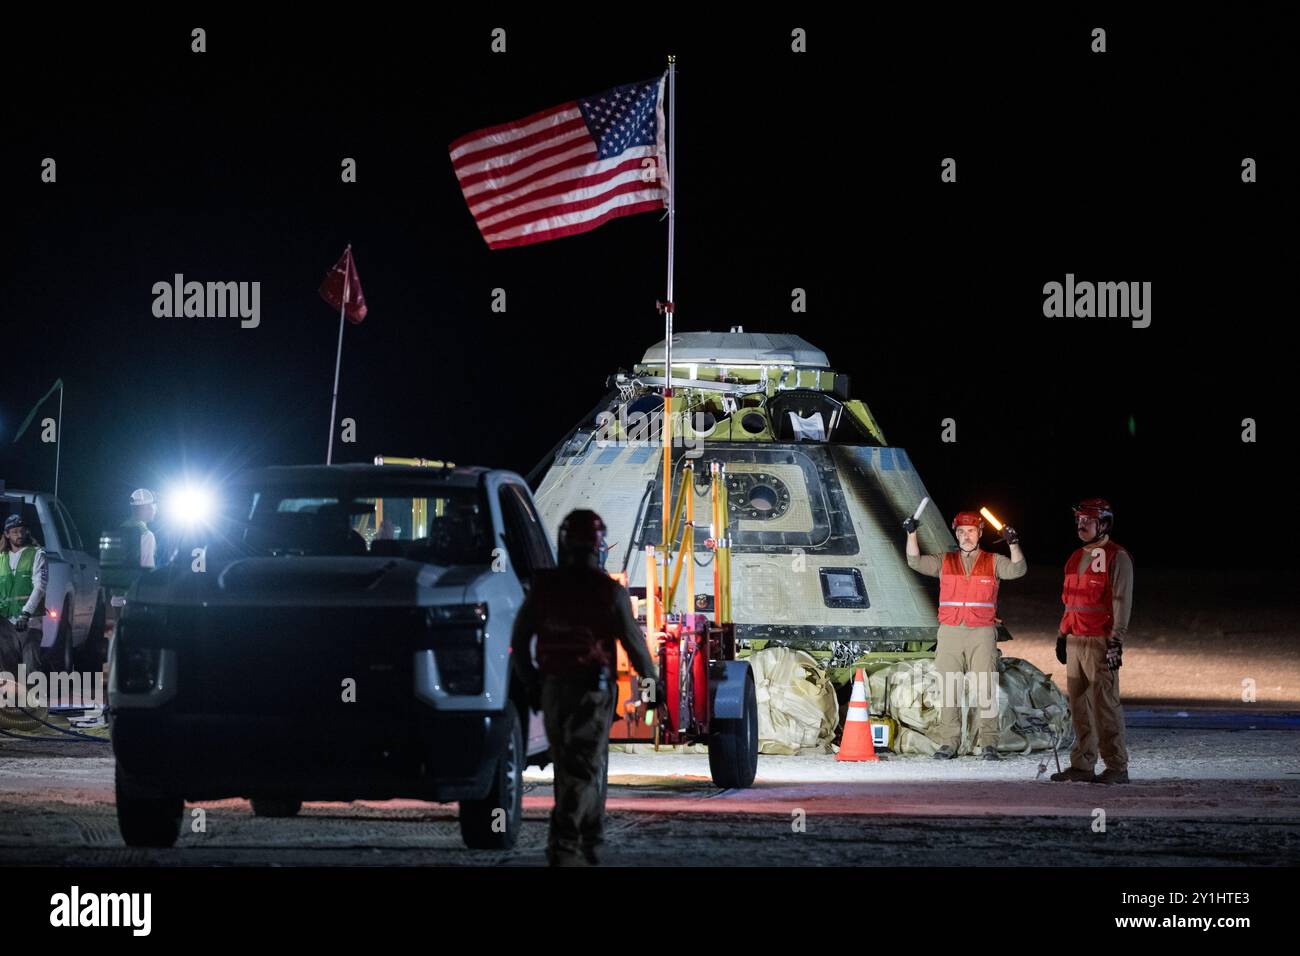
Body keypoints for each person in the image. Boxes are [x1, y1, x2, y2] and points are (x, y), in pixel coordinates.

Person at [510, 509, 659, 866]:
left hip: (551, 691)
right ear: (598, 545)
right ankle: (564, 847)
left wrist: (532, 683)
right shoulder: (608, 592)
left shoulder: (544, 588)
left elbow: (519, 640)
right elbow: (636, 647)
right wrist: (653, 689)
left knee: (570, 766)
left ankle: (592, 841)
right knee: (585, 768)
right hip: (592, 695)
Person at [905, 509, 1026, 759]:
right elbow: (915, 561)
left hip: (981, 632)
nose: (966, 536)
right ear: (956, 534)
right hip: (950, 632)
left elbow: (1018, 570)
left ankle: (989, 743)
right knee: (949, 687)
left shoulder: (993, 561)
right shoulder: (944, 560)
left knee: (985, 688)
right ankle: (949, 742)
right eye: (961, 531)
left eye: (971, 531)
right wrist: (911, 533)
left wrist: (1013, 543)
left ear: (979, 533)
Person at [1051, 498, 1133, 784]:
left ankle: (1116, 766)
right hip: (1075, 640)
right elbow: (1070, 602)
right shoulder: (1075, 557)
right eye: (1079, 520)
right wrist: (1063, 634)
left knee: (1105, 705)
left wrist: (1116, 641)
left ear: (1104, 523)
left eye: (1087, 520)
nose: (1081, 525)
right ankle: (1083, 764)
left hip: (1099, 640)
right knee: (1079, 705)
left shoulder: (1116, 556)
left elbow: (1122, 601)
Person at [0, 514, 48, 661]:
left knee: (31, 668)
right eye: (14, 532)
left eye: (22, 530)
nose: (19, 535)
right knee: (8, 672)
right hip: (5, 623)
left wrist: (26, 613)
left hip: (29, 622)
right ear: (7, 534)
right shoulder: (2, 558)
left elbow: (40, 586)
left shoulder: (37, 554)